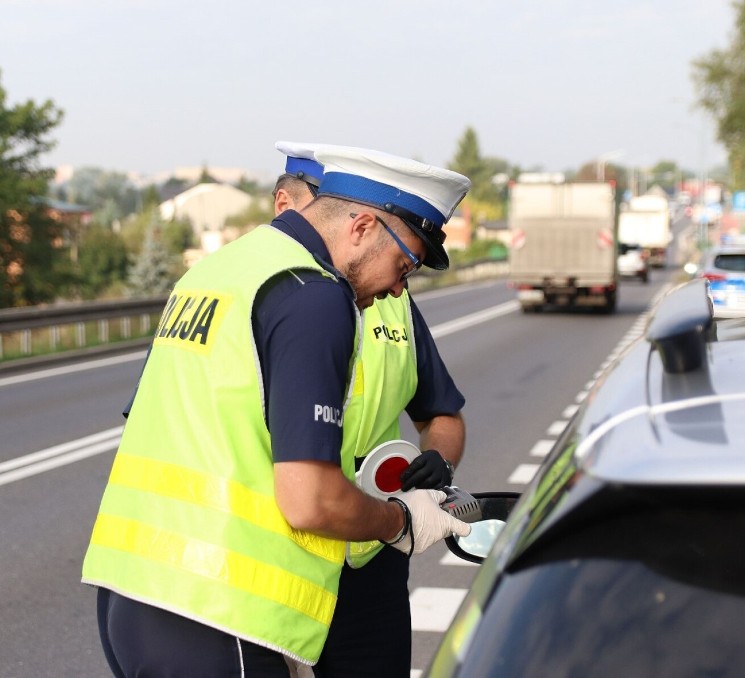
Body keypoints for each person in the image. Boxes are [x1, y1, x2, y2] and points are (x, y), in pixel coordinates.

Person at [81, 144, 472, 677]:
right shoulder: (313, 293)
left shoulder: (218, 272)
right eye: (403, 264)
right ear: (361, 228)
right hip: (220, 602)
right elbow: (309, 502)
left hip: (133, 589)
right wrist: (400, 520)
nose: (399, 288)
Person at [272, 143, 465, 677]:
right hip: (273, 560)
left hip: (366, 563)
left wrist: (440, 463)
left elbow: (442, 414)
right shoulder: (267, 293)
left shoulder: (393, 299)